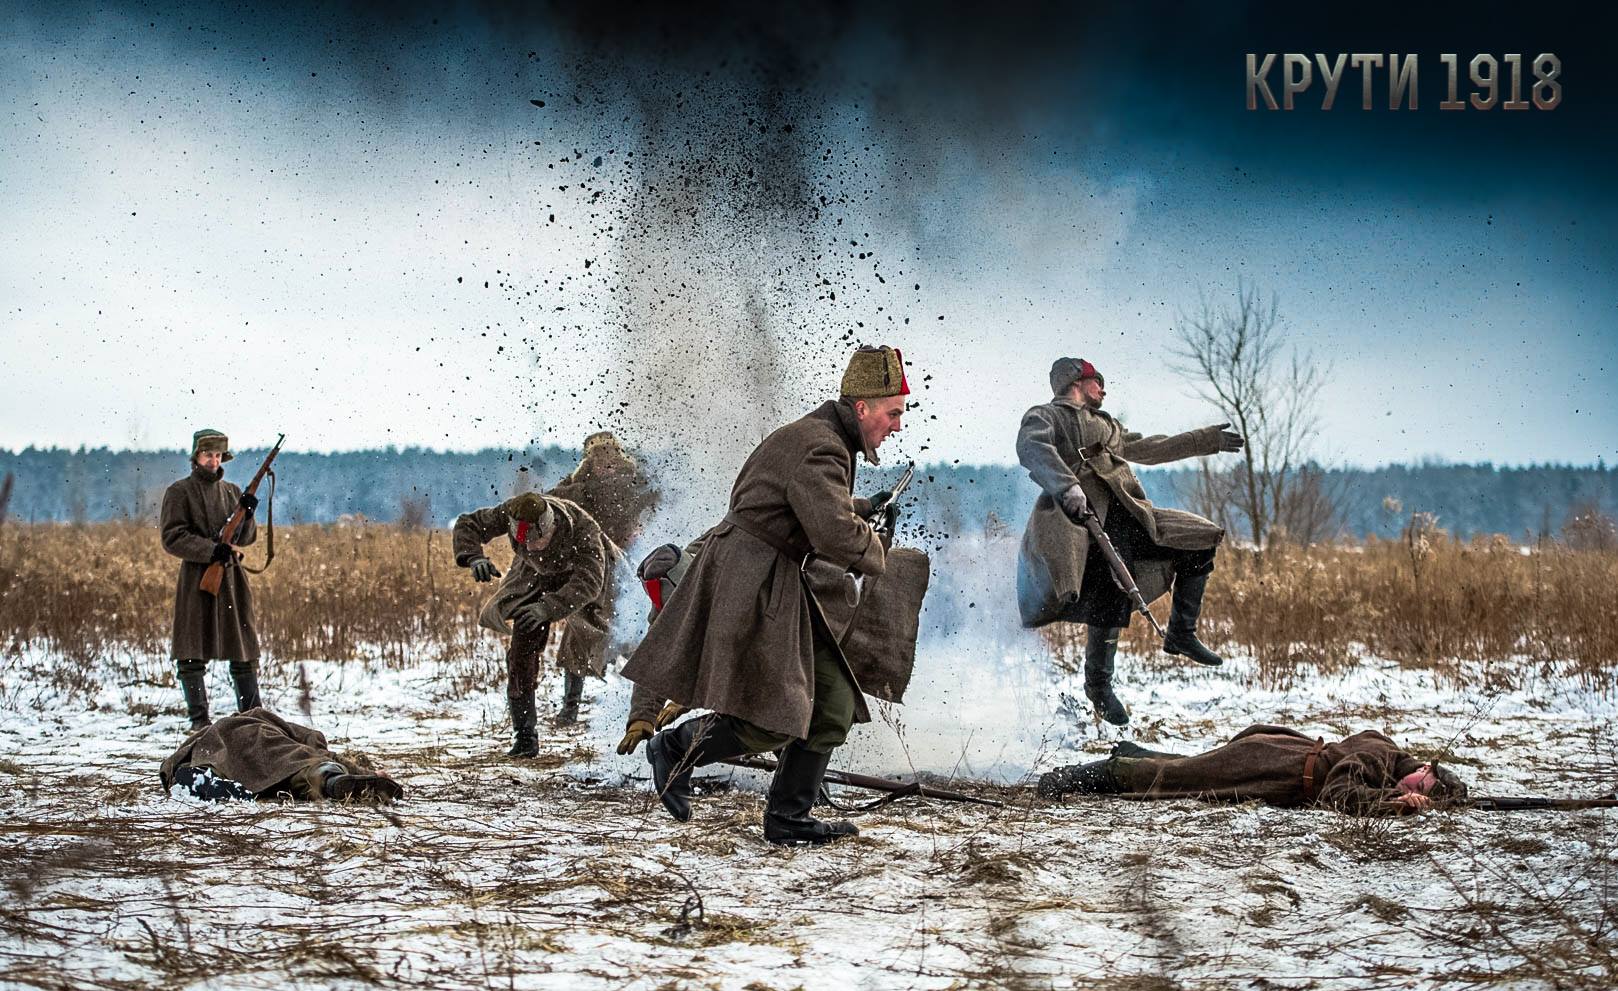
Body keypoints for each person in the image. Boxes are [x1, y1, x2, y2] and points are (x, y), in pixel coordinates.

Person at [621, 345, 909, 845]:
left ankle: (788, 819)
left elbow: (803, 501)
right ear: (862, 408)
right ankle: (675, 748)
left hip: (770, 577)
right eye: (893, 413)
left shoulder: (817, 438)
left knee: (833, 704)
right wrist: (875, 543)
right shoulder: (822, 446)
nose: (897, 426)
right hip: (756, 581)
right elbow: (835, 536)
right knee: (774, 716)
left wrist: (862, 506)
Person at [1016, 357, 1245, 726]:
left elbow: (1152, 448)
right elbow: (1032, 447)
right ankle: (1099, 688)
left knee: (1200, 539)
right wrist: (1067, 485)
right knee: (1109, 599)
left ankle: (1181, 633)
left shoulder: (1107, 427)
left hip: (1130, 517)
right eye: (1097, 382)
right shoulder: (1046, 416)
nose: (1104, 390)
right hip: (1079, 527)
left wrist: (1207, 440)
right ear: (1077, 381)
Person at [453, 492, 609, 758]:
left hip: (583, 580)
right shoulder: (511, 512)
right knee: (520, 650)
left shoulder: (584, 530)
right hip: (534, 577)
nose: (532, 546)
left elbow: (590, 580)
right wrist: (473, 556)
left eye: (538, 540)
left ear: (552, 527)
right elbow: (469, 523)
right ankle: (525, 736)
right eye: (523, 541)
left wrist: (548, 608)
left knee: (604, 636)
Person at [1037, 725, 1467, 815]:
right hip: (1270, 762)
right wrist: (1395, 802)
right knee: (1178, 780)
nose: (1417, 787)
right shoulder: (1381, 755)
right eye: (1423, 784)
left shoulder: (1390, 767)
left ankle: (1130, 752)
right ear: (1424, 768)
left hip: (1275, 768)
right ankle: (1082, 775)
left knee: (1191, 771)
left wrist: (1400, 796)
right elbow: (1341, 791)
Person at [546, 431, 660, 723]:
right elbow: (552, 504)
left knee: (641, 634)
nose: (605, 464)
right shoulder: (579, 486)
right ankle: (570, 708)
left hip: (632, 567)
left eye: (610, 456)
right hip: (596, 569)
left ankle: (645, 709)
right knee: (580, 634)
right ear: (590, 461)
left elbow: (660, 499)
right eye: (598, 458)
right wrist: (577, 481)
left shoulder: (636, 481)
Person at [160, 429, 264, 730]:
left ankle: (253, 722)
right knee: (191, 653)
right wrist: (210, 550)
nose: (213, 461)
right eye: (208, 455)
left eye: (218, 456)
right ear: (196, 456)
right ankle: (199, 723)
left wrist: (247, 515)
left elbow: (246, 538)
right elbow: (172, 537)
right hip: (197, 578)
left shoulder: (232, 491)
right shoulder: (179, 492)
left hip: (231, 579)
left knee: (243, 652)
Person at [160, 708, 401, 803]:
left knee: (290, 771)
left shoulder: (217, 729)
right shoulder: (269, 725)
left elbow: (171, 762)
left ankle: (204, 779)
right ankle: (332, 780)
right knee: (304, 767)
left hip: (209, 753)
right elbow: (320, 750)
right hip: (257, 744)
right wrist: (365, 773)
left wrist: (173, 770)